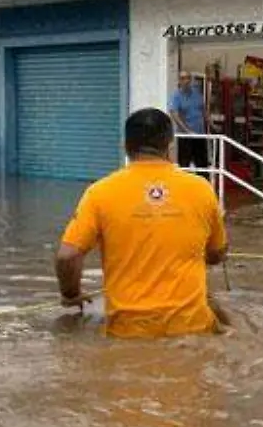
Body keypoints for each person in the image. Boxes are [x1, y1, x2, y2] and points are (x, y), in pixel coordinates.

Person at [54, 108, 229, 339]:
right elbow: (216, 254)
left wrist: (70, 294)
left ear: (125, 146)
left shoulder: (100, 193)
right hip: (191, 329)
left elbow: (67, 256)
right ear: (170, 145)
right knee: (224, 320)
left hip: (127, 332)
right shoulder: (201, 189)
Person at [168, 71, 208, 171]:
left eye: (187, 78)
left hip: (200, 134)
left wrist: (212, 125)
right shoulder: (176, 96)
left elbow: (204, 110)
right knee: (184, 164)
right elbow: (174, 115)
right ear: (179, 81)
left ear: (190, 80)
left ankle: (203, 184)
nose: (185, 81)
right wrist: (187, 131)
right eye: (182, 78)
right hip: (185, 136)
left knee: (202, 164)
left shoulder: (197, 93)